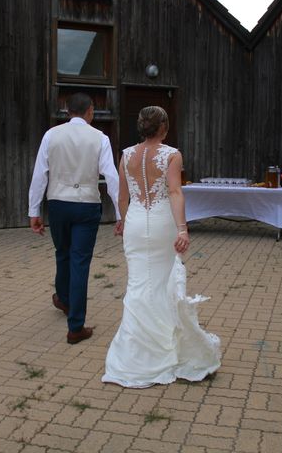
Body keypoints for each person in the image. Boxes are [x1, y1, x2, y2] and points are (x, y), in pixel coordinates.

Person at [102, 106, 221, 388]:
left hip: (135, 222)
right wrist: (182, 227)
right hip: (160, 223)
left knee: (138, 283)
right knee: (161, 283)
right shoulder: (171, 155)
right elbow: (175, 191)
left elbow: (122, 196)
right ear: (164, 128)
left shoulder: (127, 155)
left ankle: (134, 355)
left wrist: (121, 220)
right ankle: (161, 349)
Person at [28, 93, 121, 345]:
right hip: (86, 205)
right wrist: (121, 214)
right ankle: (75, 325)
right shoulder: (100, 138)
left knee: (62, 253)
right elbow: (111, 177)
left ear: (67, 110)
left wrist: (33, 211)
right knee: (80, 261)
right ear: (90, 111)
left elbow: (40, 175)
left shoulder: (51, 135)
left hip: (58, 203)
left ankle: (64, 299)